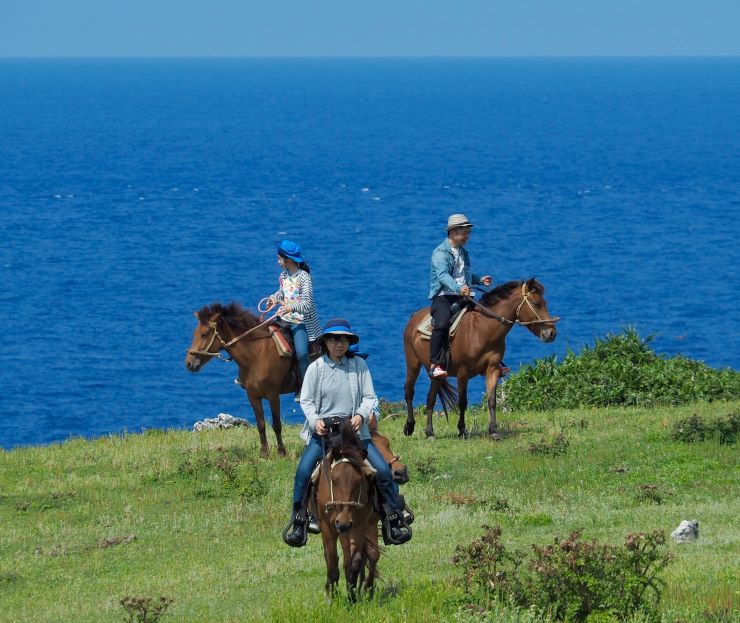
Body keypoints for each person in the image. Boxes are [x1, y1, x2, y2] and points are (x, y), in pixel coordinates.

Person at [283, 318, 412, 548]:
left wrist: (361, 415)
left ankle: (392, 518)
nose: (338, 344)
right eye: (333, 340)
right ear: (326, 343)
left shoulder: (359, 366)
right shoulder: (316, 368)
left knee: (382, 470)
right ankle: (300, 520)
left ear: (348, 342)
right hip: (324, 433)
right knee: (303, 471)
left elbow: (370, 397)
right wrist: (315, 421)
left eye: (343, 340)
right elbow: (307, 400)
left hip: (356, 434)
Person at [428, 214, 492, 379]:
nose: (467, 236)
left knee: (486, 319)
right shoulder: (440, 253)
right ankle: (435, 364)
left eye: (468, 233)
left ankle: (491, 359)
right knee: (441, 324)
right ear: (453, 232)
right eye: (464, 233)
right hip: (444, 297)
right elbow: (443, 275)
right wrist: (458, 289)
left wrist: (479, 280)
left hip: (463, 295)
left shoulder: (463, 252)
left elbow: (464, 275)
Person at [268, 240, 321, 388]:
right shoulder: (283, 276)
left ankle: (305, 387)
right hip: (283, 318)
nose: (278, 261)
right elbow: (282, 292)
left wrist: (291, 308)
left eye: (279, 258)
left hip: (301, 322)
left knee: (302, 354)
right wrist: (274, 298)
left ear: (288, 259)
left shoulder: (304, 278)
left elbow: (307, 304)